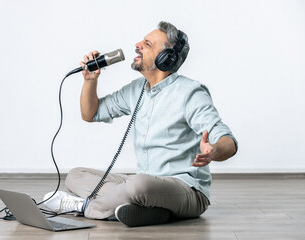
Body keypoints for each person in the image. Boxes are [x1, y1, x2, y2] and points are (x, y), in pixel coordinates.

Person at [43, 21, 238, 227]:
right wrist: (90, 80)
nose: (137, 45)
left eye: (147, 44)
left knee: (138, 185)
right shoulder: (136, 90)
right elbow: (91, 113)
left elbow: (228, 141)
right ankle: (149, 210)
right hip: (147, 183)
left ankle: (84, 207)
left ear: (166, 58)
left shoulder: (190, 93)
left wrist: (214, 150)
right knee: (76, 175)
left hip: (187, 190)